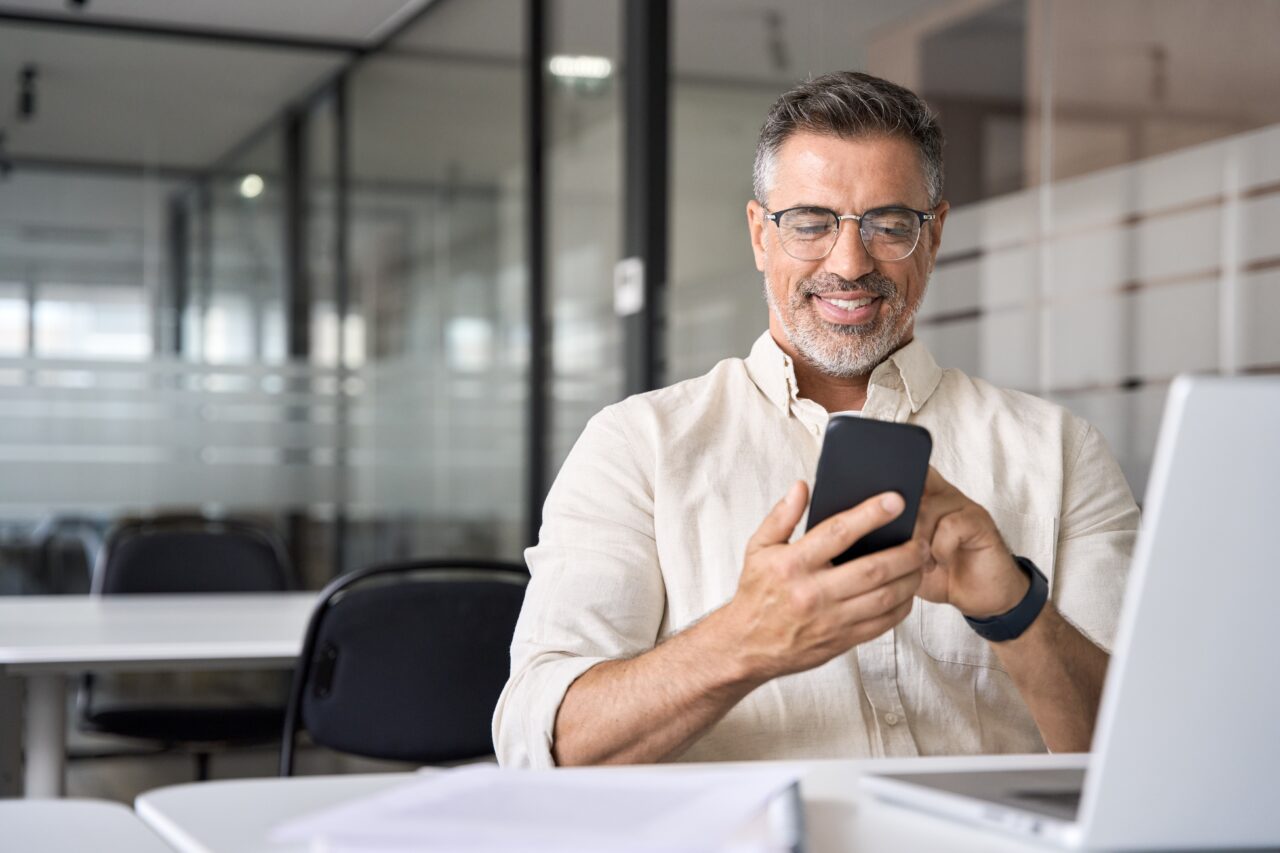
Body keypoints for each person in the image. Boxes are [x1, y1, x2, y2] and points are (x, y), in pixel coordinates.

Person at [493, 71, 1138, 768]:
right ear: (759, 235)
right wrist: (744, 639)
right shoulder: (637, 446)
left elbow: (1152, 752)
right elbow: (544, 745)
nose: (850, 262)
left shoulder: (1060, 451)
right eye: (810, 223)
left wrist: (1015, 610)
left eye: (890, 224)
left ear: (936, 234)